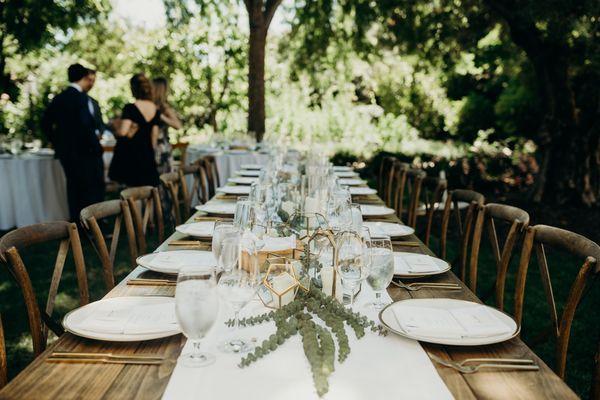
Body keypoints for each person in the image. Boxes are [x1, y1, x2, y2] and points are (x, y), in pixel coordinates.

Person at [41, 63, 105, 221]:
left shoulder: (59, 98)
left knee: (73, 188)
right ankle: (89, 226)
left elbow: (45, 123)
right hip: (86, 153)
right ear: (83, 77)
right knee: (89, 189)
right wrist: (96, 147)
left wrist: (57, 141)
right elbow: (86, 126)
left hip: (66, 153)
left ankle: (75, 223)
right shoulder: (81, 98)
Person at [109, 73, 161, 187]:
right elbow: (154, 138)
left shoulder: (130, 108)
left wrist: (114, 126)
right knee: (147, 192)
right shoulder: (155, 109)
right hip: (147, 155)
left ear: (134, 88)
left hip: (131, 156)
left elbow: (123, 132)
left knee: (130, 193)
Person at [152, 77, 182, 173]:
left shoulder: (164, 108)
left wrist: (161, 117)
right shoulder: (149, 105)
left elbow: (178, 125)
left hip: (161, 148)